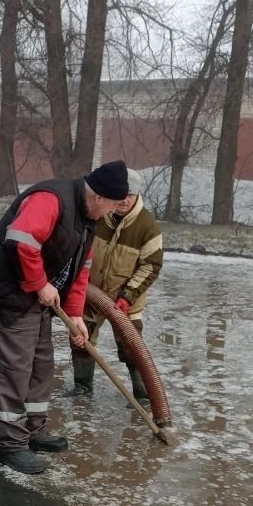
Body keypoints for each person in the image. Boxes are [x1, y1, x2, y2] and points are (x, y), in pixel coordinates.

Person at [0, 160, 130, 474]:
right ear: (98, 196)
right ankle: (10, 446)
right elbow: (21, 240)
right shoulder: (52, 199)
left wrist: (75, 318)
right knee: (14, 367)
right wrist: (39, 283)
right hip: (6, 289)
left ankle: (33, 430)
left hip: (37, 294)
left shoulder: (88, 220)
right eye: (112, 205)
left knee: (41, 363)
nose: (112, 212)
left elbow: (79, 273)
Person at [69, 167, 163, 402]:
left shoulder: (148, 227)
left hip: (126, 302)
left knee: (132, 349)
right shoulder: (99, 215)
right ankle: (82, 388)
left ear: (137, 195)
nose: (124, 200)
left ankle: (143, 396)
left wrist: (128, 296)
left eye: (129, 196)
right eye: (121, 195)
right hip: (91, 294)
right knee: (81, 340)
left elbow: (150, 266)